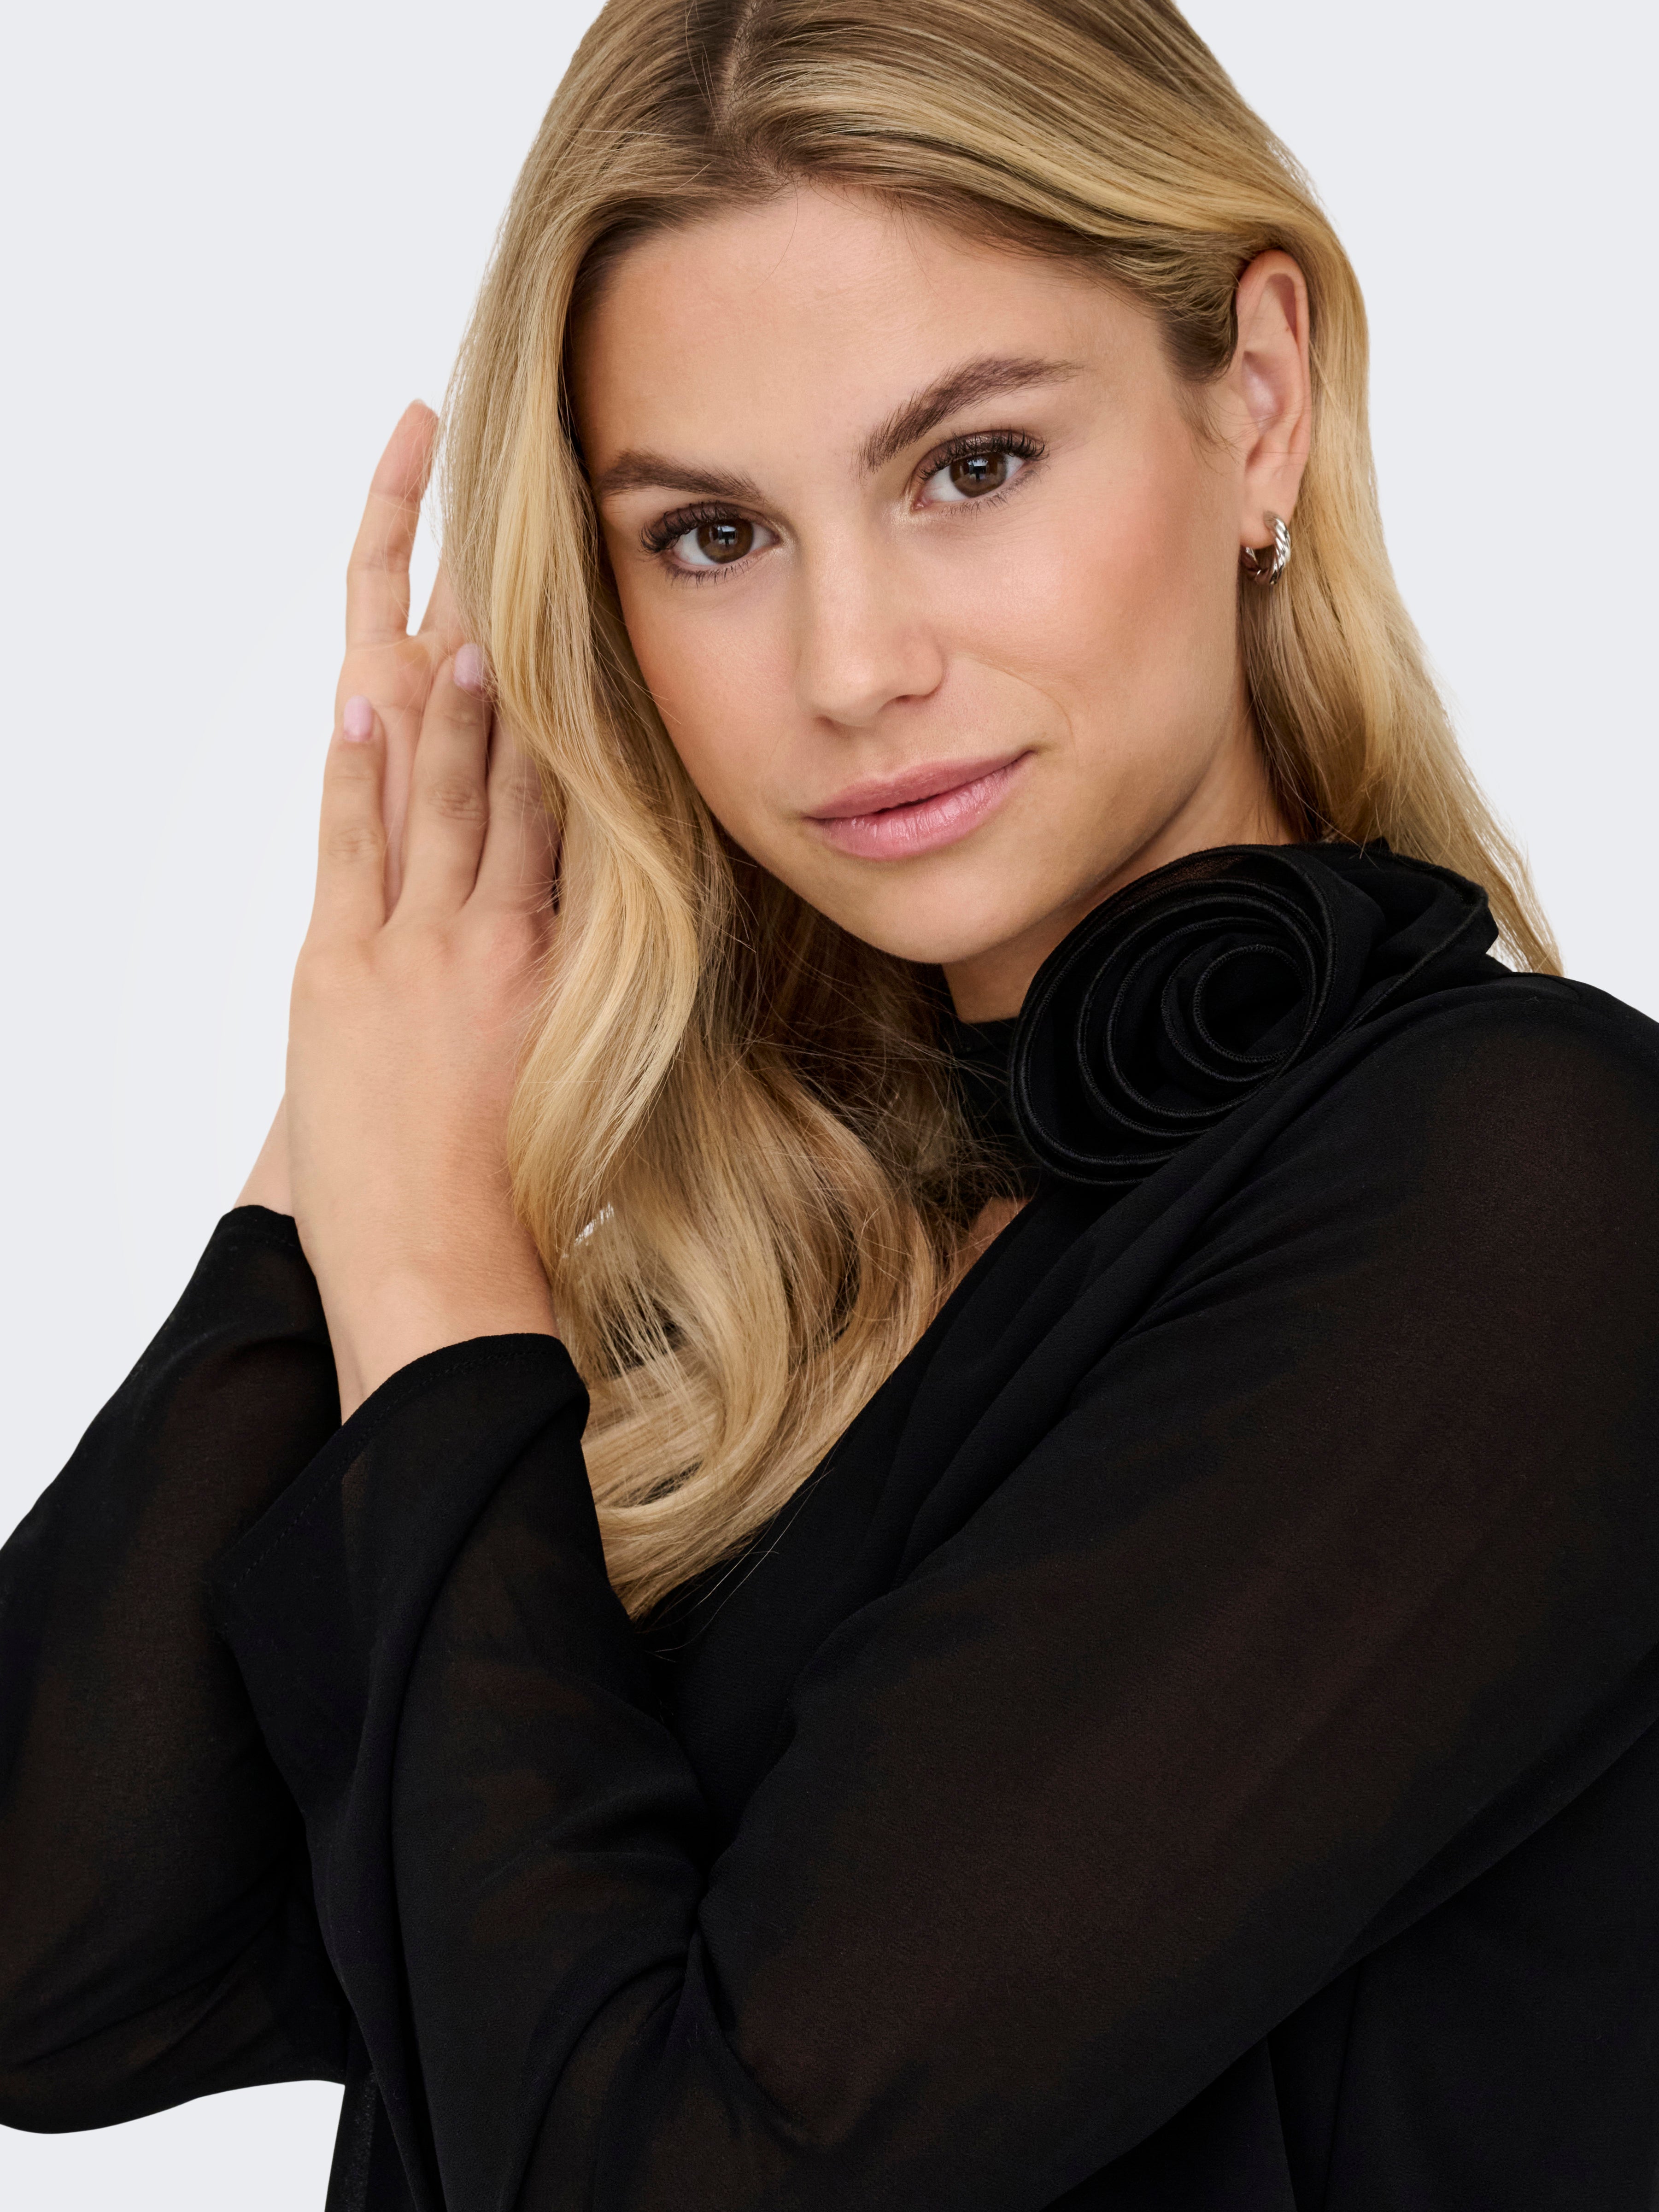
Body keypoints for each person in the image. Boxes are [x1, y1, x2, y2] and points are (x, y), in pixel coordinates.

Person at [4, 0, 1658, 2204]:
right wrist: (369, 1105)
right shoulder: (748, 1290)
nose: (851, 666)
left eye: (971, 466)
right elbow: (56, 1961)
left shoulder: (1518, 1190)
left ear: (1257, 399)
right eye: (710, 535)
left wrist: (433, 1276)